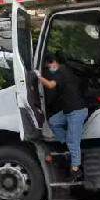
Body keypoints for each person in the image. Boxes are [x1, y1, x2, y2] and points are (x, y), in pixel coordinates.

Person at [36, 53, 87, 181]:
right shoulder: (66, 70)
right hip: (68, 111)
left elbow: (50, 85)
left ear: (54, 63)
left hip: (77, 111)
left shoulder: (61, 71)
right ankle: (65, 144)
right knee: (53, 122)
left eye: (49, 67)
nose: (49, 70)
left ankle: (76, 170)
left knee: (73, 142)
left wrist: (38, 76)